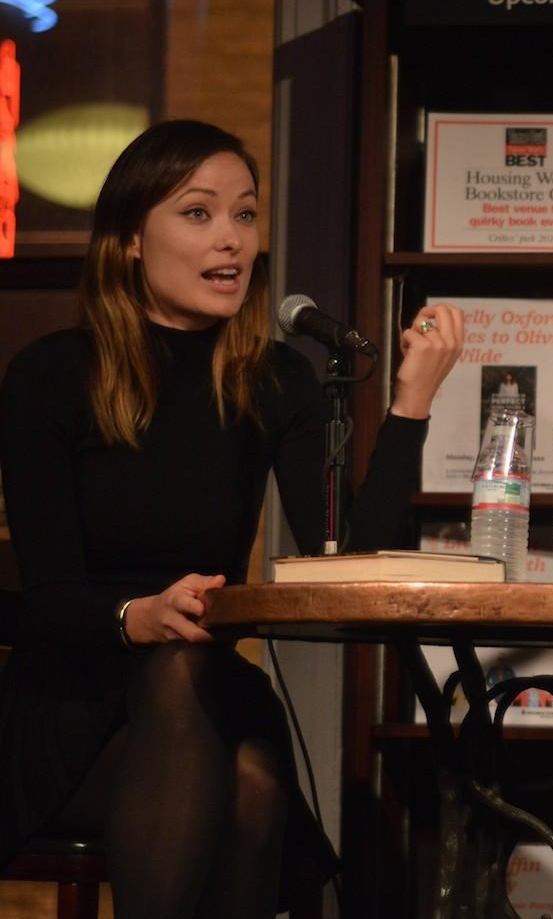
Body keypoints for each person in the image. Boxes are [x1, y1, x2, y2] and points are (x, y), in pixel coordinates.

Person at [0, 119, 464, 918]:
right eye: (198, 213)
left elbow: (351, 562)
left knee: (246, 769)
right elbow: (40, 599)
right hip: (68, 714)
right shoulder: (52, 375)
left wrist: (411, 403)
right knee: (194, 691)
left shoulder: (273, 378)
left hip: (203, 697)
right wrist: (135, 616)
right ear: (130, 242)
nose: (231, 241)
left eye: (245, 216)